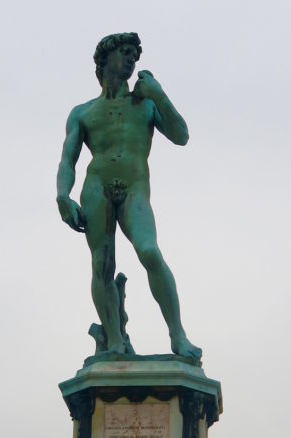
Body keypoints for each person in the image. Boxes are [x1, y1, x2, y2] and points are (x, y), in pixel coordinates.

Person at [57, 32, 201, 360]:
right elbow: (67, 159)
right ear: (105, 58)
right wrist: (62, 195)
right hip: (97, 188)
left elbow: (181, 136)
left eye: (135, 55)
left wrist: (160, 95)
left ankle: (177, 336)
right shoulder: (83, 111)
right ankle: (115, 342)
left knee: (149, 251)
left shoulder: (145, 103)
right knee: (102, 265)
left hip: (134, 186)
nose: (132, 59)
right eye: (125, 52)